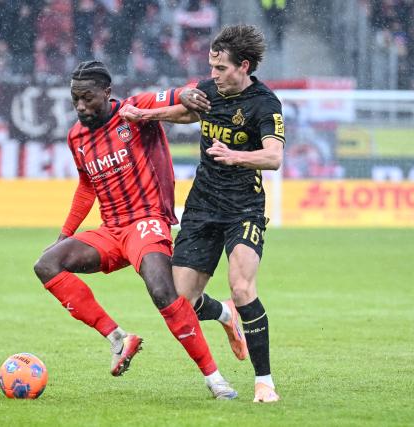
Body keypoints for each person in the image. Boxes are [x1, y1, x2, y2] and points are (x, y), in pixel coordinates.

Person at [33, 60, 237, 400]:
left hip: (146, 220)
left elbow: (174, 95)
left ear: (106, 93)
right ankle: (117, 338)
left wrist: (187, 93)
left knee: (163, 292)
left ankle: (215, 379)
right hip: (110, 229)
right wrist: (65, 235)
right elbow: (87, 186)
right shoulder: (76, 137)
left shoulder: (135, 109)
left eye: (87, 98)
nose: (81, 106)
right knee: (46, 264)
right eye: (75, 100)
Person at [118, 25, 285, 403]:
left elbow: (274, 156)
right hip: (202, 207)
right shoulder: (210, 90)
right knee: (182, 300)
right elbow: (185, 113)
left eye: (220, 68)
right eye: (211, 66)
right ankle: (226, 316)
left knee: (243, 288)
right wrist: (145, 116)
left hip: (244, 208)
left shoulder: (265, 104)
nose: (213, 74)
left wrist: (236, 156)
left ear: (243, 66)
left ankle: (265, 382)